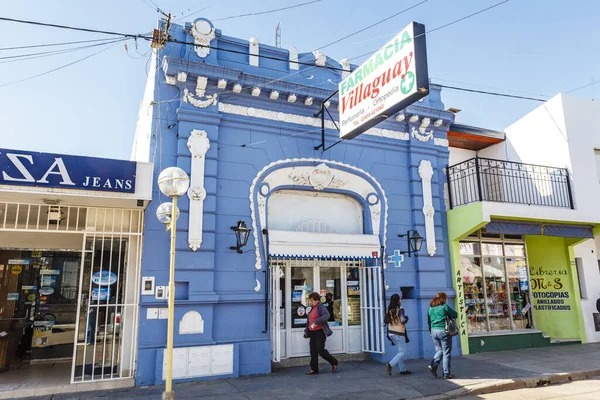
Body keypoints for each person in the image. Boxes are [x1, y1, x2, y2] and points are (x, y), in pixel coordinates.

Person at [304, 292, 339, 375]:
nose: (311, 302)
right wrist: (306, 331)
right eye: (310, 301)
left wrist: (317, 321)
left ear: (317, 300)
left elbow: (327, 315)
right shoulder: (312, 308)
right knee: (313, 351)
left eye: (312, 301)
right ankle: (314, 369)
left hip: (319, 332)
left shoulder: (321, 307)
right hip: (312, 332)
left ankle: (334, 362)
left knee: (320, 350)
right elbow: (309, 321)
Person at [427, 292, 458, 379]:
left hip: (433, 331)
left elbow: (428, 321)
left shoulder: (430, 309)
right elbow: (455, 315)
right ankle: (446, 373)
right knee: (446, 353)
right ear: (443, 299)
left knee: (440, 350)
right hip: (443, 331)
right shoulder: (444, 306)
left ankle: (433, 365)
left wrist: (430, 331)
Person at [384, 293, 411, 376]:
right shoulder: (401, 309)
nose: (401, 299)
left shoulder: (389, 310)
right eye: (400, 298)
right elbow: (402, 320)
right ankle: (391, 364)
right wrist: (406, 318)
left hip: (391, 333)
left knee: (399, 351)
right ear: (398, 300)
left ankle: (402, 369)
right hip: (399, 333)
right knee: (403, 351)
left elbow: (385, 320)